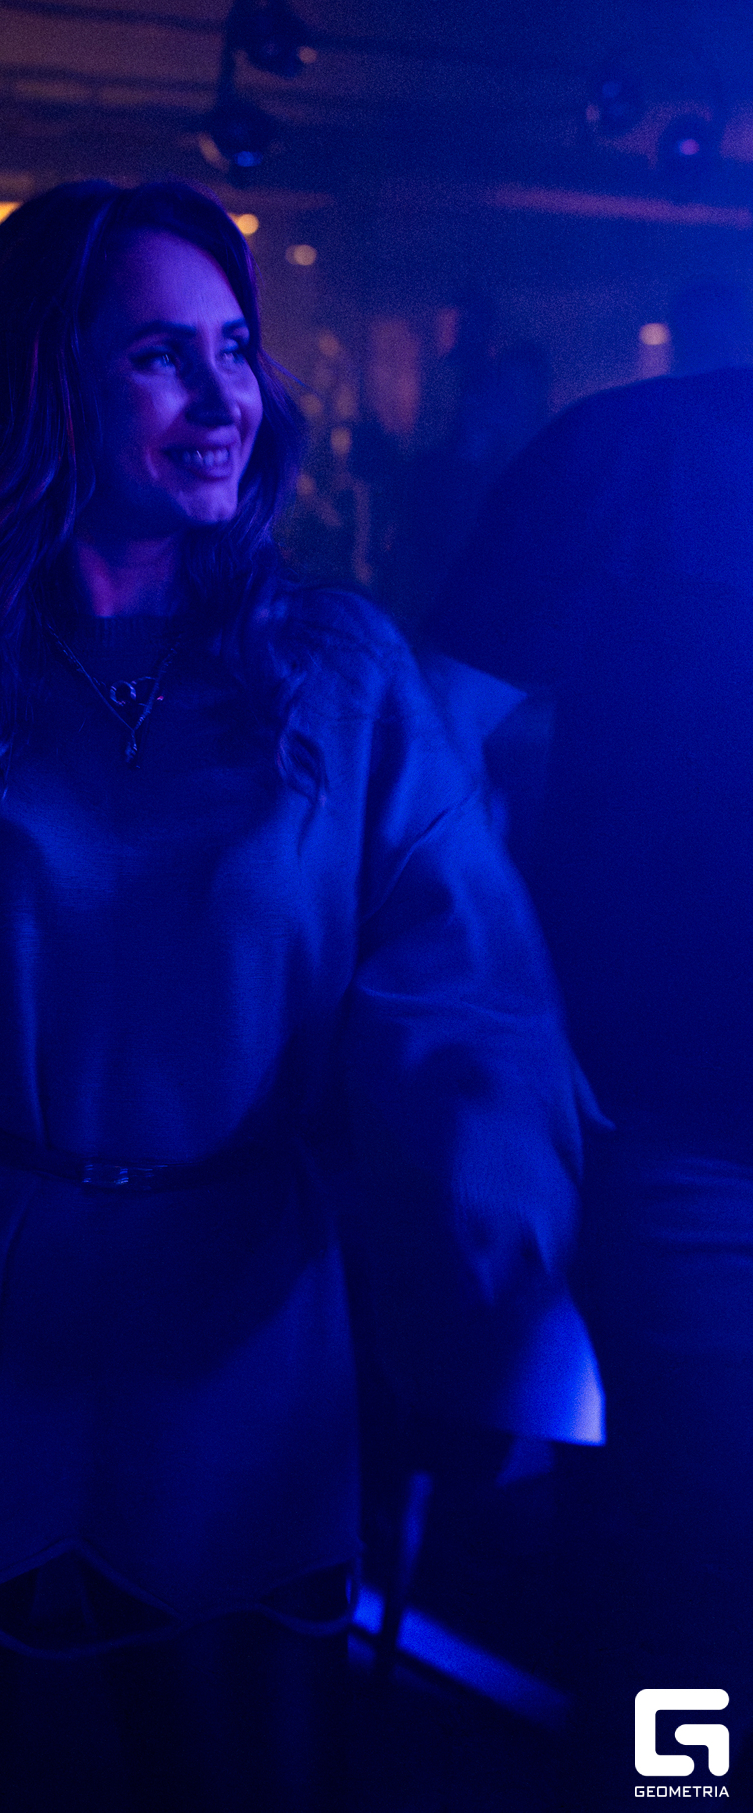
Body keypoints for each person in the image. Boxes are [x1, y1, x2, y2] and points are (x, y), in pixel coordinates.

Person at [0, 181, 597, 1813]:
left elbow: (472, 1024)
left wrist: (491, 1322)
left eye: (234, 349)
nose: (227, 399)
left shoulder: (342, 670)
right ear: (44, 386)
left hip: (232, 1357)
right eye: (161, 355)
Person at [426, 364, 753, 1800]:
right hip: (688, 1149)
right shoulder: (641, 451)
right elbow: (431, 736)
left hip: (683, 1140)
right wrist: (502, 992)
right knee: (698, 1580)